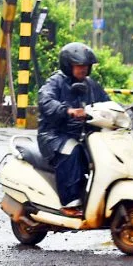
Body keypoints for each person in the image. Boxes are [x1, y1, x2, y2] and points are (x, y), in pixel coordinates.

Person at [38, 42, 110, 217]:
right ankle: (69, 203)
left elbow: (108, 102)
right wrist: (67, 110)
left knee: (103, 155)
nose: (83, 69)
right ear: (68, 65)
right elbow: (45, 101)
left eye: (86, 66)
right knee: (74, 151)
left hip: (83, 135)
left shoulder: (91, 85)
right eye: (79, 65)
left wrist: (123, 111)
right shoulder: (55, 82)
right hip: (53, 135)